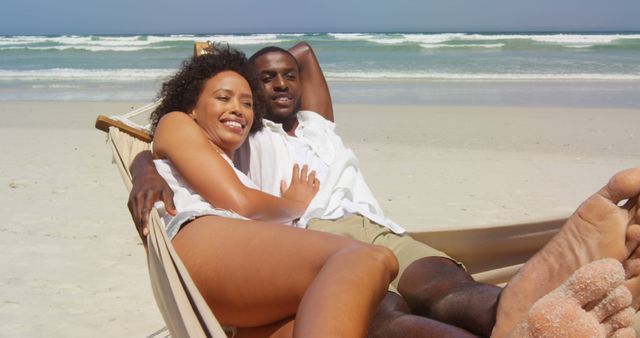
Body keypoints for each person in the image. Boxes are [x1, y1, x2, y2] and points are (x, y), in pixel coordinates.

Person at [129, 42, 640, 337]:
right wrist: (144, 164)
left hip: (372, 229)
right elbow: (178, 152)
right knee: (379, 299)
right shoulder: (245, 136)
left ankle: (513, 315)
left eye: (282, 79)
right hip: (306, 234)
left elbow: (303, 52)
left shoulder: (316, 126)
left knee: (441, 283)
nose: (265, 92)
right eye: (248, 86)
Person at [146, 44, 398, 338]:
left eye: (247, 103)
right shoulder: (176, 122)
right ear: (192, 106)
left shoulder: (232, 162)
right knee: (366, 259)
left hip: (236, 274)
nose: (237, 110)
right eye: (223, 98)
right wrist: (295, 204)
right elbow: (241, 203)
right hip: (200, 241)